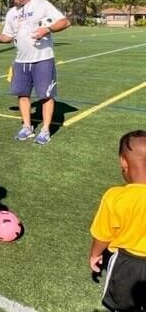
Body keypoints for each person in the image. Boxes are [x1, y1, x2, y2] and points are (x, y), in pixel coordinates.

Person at [0, 0, 71, 145]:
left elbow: (65, 22)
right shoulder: (12, 13)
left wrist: (46, 30)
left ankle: (45, 130)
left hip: (43, 59)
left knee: (46, 96)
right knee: (22, 94)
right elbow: (7, 37)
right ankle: (27, 127)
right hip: (21, 61)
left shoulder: (42, 5)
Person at [89, 130, 146, 312]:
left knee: (124, 307)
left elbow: (103, 235)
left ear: (123, 162)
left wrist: (95, 254)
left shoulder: (115, 197)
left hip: (128, 264)